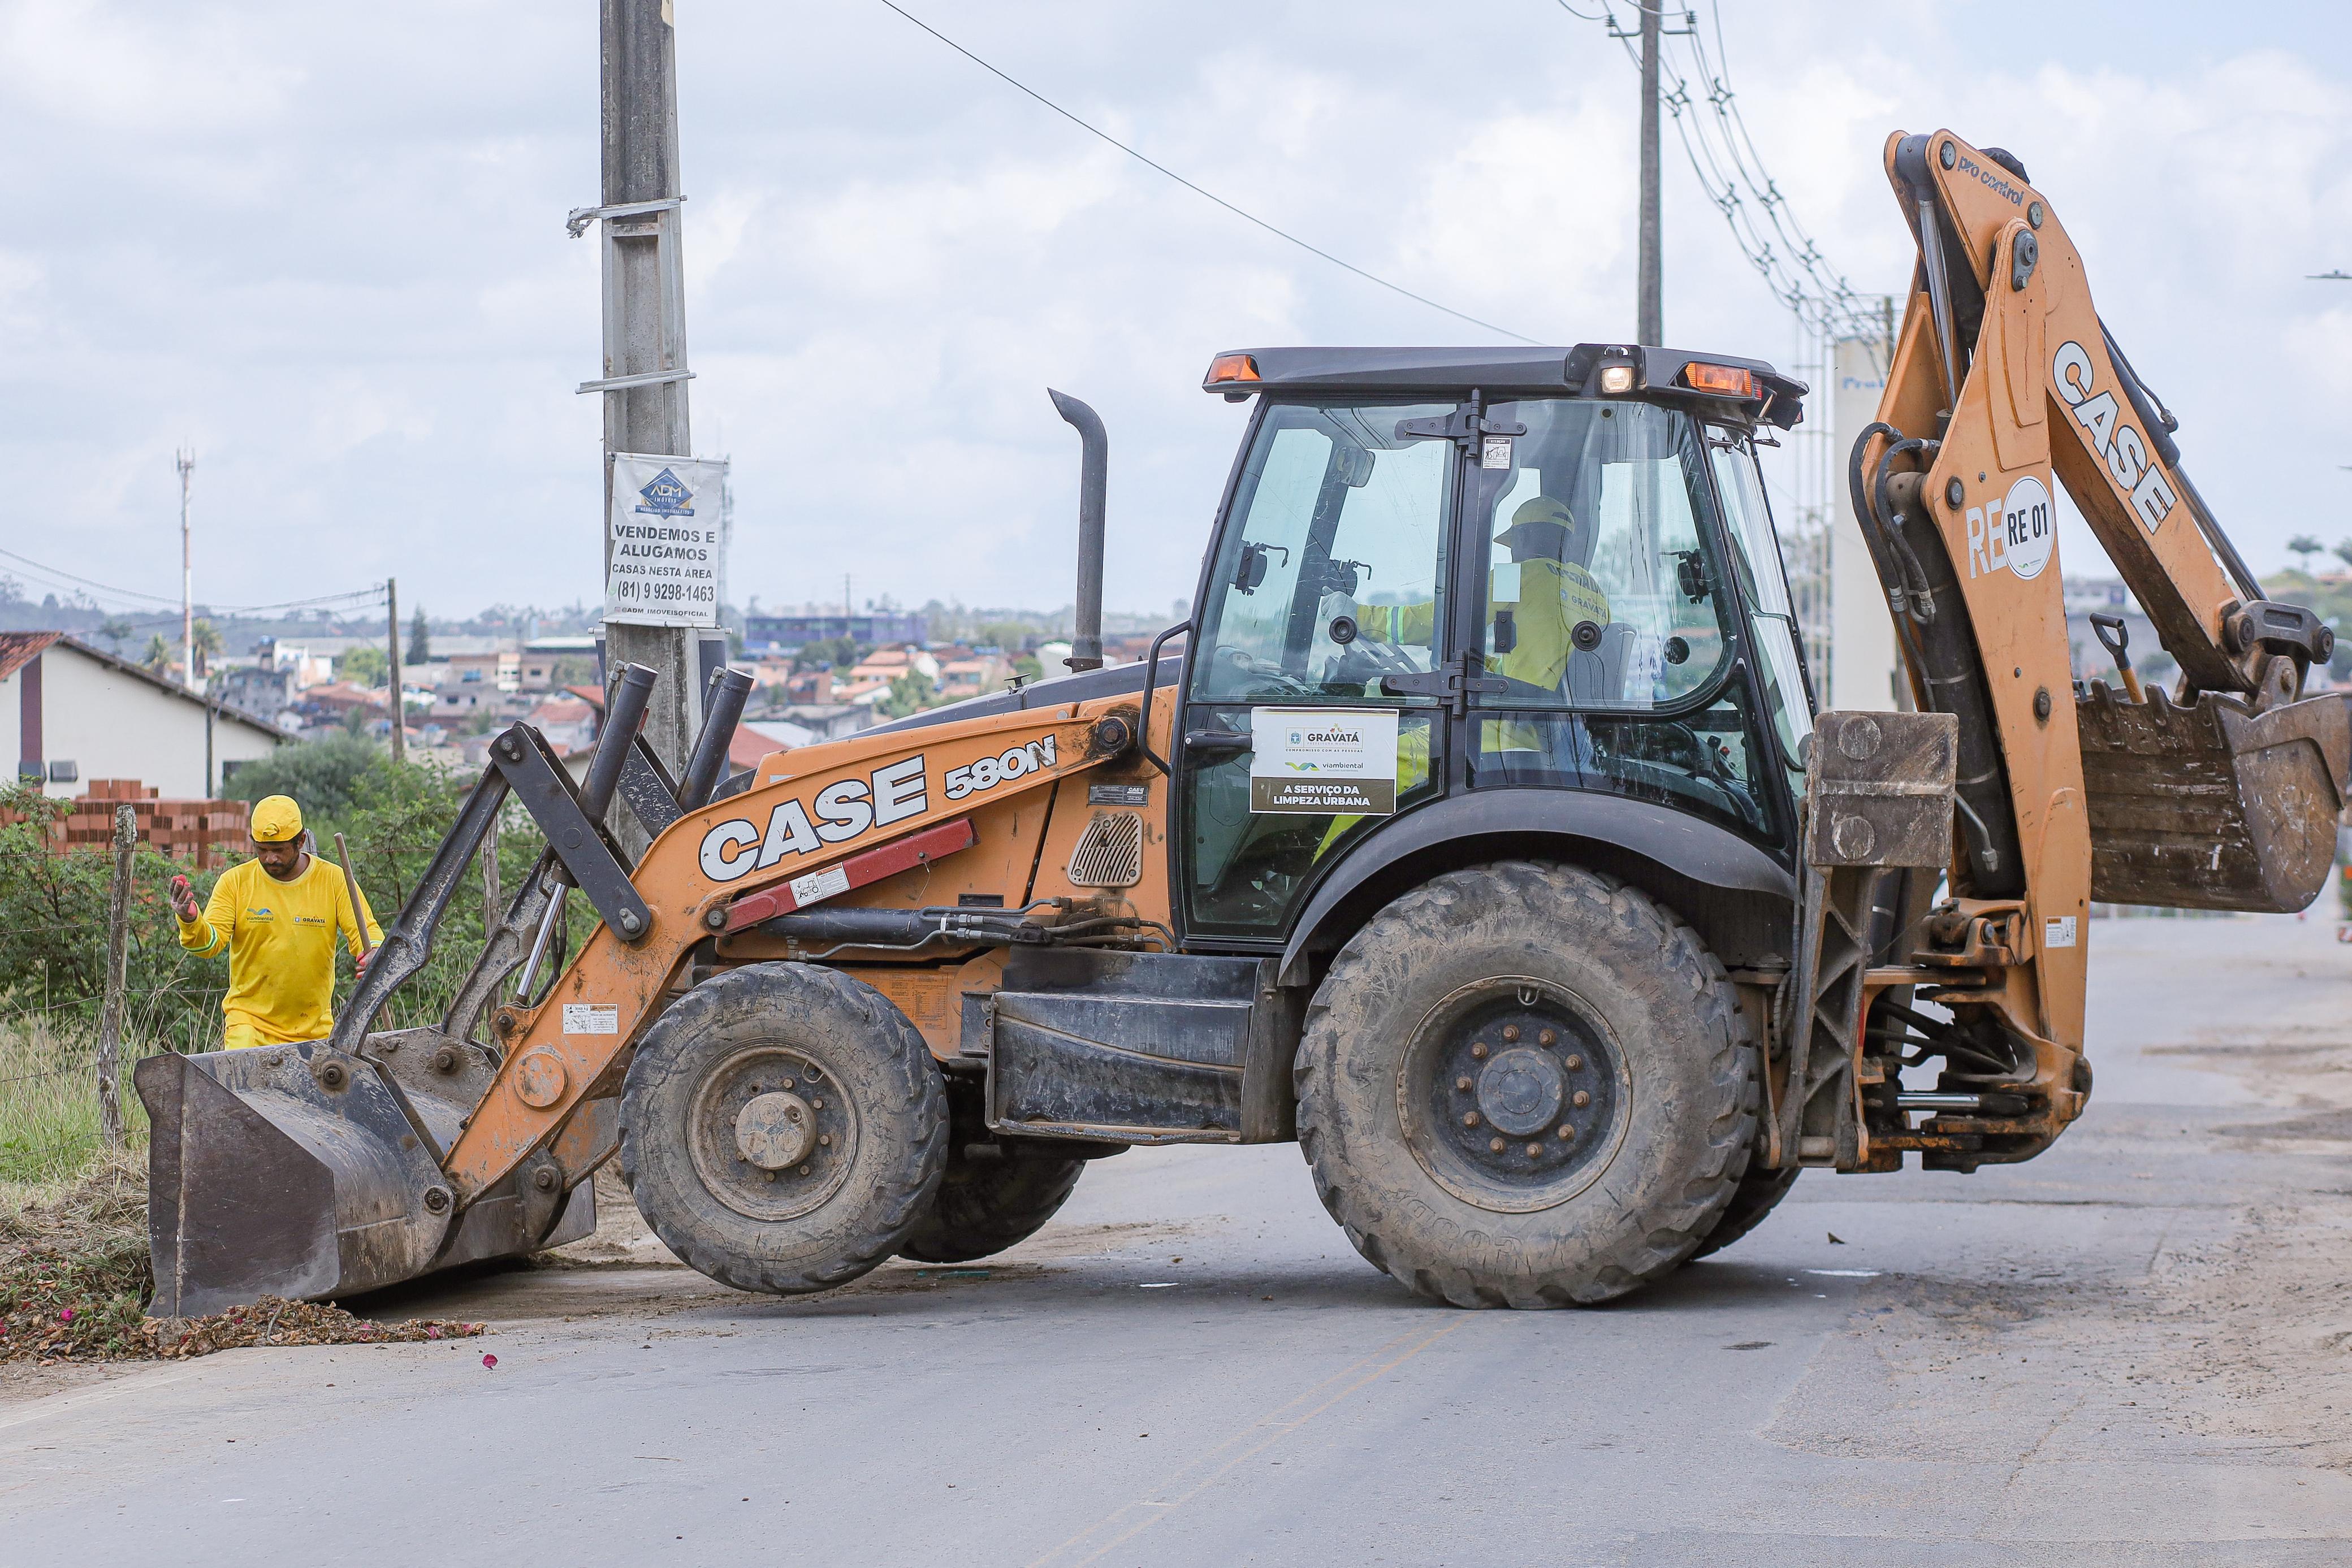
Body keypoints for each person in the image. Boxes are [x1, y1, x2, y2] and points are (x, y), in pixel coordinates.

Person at [170, 794, 383, 1051]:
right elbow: (208, 946)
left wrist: (375, 953)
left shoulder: (334, 880)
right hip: (249, 1026)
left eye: (279, 850)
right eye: (262, 849)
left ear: (301, 841)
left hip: (314, 1030)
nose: (270, 859)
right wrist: (190, 920)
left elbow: (366, 932)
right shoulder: (235, 882)